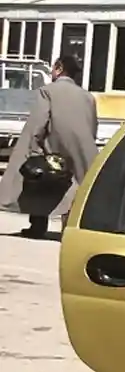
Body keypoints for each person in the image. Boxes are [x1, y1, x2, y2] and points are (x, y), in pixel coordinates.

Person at [0, 52, 99, 238]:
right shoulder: (88, 97)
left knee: (39, 180)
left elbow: (38, 124)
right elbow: (92, 127)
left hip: (54, 146)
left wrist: (32, 149)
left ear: (59, 68)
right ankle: (68, 228)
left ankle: (37, 226)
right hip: (82, 151)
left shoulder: (48, 91)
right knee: (74, 187)